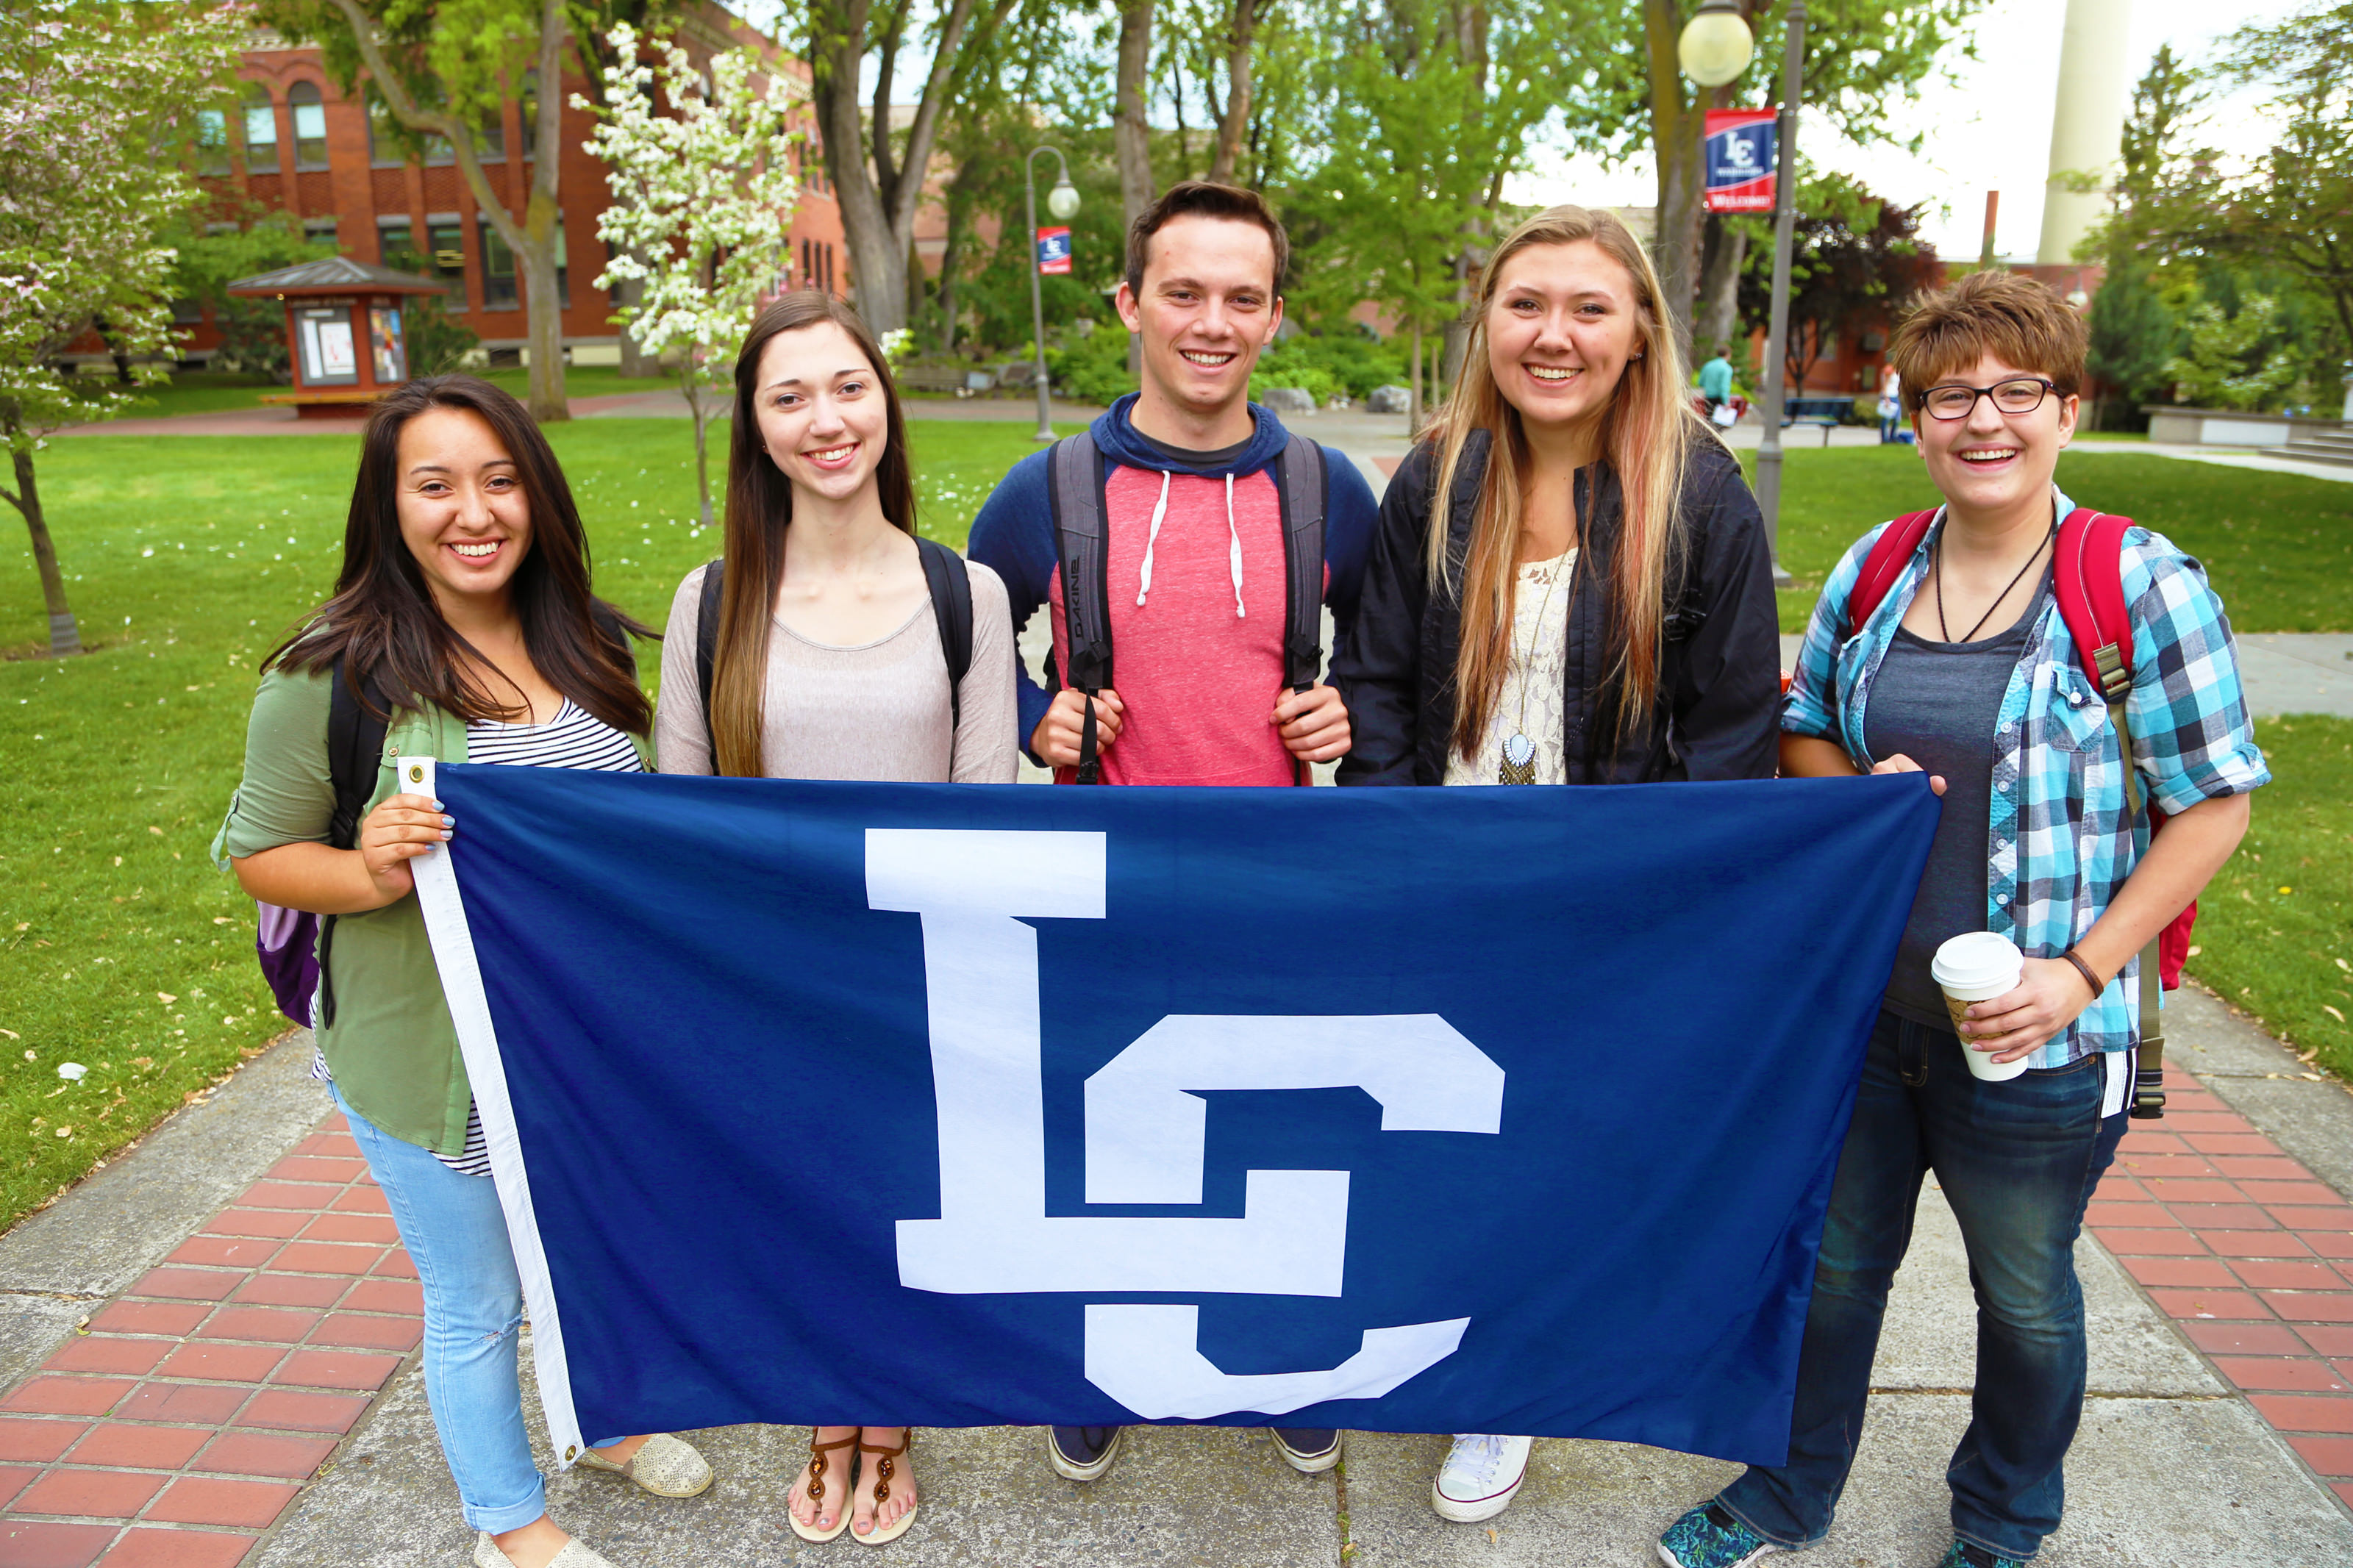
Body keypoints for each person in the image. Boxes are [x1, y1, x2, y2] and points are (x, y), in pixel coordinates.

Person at [1657, 271, 2265, 1568]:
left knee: (2026, 1297)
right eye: (1951, 396)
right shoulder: (1880, 567)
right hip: (1870, 1015)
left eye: (2015, 391)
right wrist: (1850, 782)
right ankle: (1782, 1491)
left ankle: (2002, 1518)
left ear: (2065, 407)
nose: (1983, 419)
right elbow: (1806, 725)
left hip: (2039, 1038)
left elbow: (2214, 805)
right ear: (1917, 417)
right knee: (1829, 1272)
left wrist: (2080, 973)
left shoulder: (2138, 585)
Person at [1332, 204, 1781, 1519]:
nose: (1555, 333)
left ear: (1641, 332)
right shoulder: (1440, 477)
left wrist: (1660, 930)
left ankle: (1512, 1387)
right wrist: (1388, 858)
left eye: (1590, 307)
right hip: (1448, 885)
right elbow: (1375, 684)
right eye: (1528, 303)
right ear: (1489, 322)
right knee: (1440, 1140)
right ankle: (1435, 1343)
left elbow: (1730, 738)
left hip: (1606, 912)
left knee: (1558, 1152)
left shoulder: (1698, 500)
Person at [221, 376, 714, 1568]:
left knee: (576, 1247)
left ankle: (599, 1427)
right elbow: (258, 856)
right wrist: (369, 866)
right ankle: (510, 1521)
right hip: (428, 1061)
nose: (473, 510)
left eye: (499, 479)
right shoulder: (331, 676)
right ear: (389, 505)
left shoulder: (580, 636)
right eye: (434, 483)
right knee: (477, 1296)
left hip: (576, 1048)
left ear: (535, 496)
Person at [965, 179, 1379, 1481]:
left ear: (1273, 317)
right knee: (1113, 1128)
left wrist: (1342, 710)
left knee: (1281, 1124)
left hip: (1280, 879)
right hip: (1110, 881)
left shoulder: (1329, 488)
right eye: (1184, 293)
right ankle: (1108, 1358)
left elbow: (1389, 662)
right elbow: (975, 649)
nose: (1212, 322)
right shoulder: (1047, 492)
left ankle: (1280, 1347)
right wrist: (1040, 712)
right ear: (1129, 303)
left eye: (1241, 298)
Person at [655, 290, 1018, 1542]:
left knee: (906, 1204)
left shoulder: (964, 591)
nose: (827, 419)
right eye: (791, 396)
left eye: (848, 387)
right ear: (757, 427)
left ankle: (892, 1413)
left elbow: (989, 813)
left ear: (885, 402)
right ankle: (827, 1413)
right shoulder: (712, 602)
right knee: (805, 1204)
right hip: (773, 983)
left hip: (922, 978)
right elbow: (683, 823)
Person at [1699, 343, 1736, 420]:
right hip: (1720, 398)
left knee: (1708, 420)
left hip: (1708, 397)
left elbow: (1701, 382)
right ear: (1728, 355)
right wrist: (1726, 402)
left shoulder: (1708, 365)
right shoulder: (1726, 368)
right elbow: (1724, 386)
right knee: (1720, 423)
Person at [1878, 362, 1904, 444]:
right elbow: (1885, 385)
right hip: (1889, 396)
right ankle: (1884, 439)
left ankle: (1893, 437)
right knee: (1886, 419)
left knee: (1897, 419)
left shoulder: (1898, 372)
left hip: (1895, 396)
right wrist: (1886, 398)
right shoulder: (1889, 370)